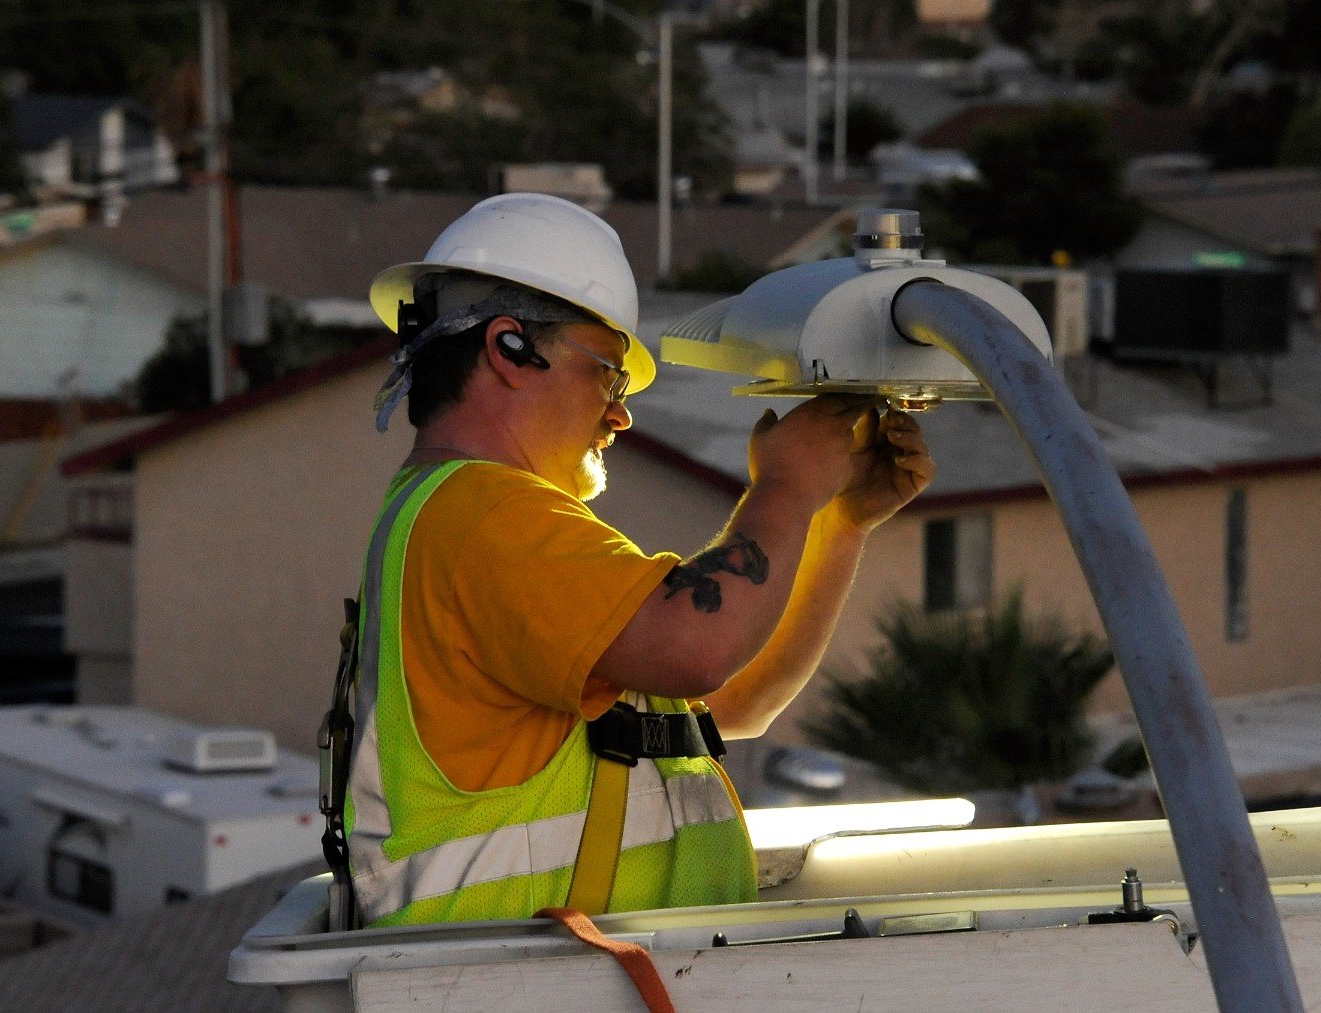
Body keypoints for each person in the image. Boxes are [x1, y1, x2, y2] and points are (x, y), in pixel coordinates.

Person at [334, 193, 934, 929]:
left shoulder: (464, 518)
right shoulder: (482, 515)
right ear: (508, 348)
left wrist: (836, 521)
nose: (619, 413)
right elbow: (700, 646)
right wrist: (787, 484)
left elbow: (736, 698)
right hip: (523, 986)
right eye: (608, 376)